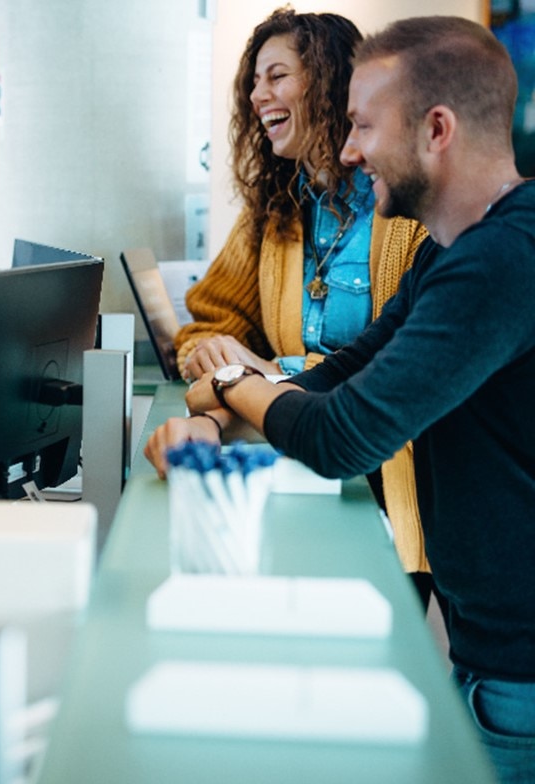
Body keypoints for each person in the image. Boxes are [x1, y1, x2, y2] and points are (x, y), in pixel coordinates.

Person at [145, 17, 534, 782]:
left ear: (436, 130)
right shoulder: (448, 253)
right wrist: (210, 416)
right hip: (483, 644)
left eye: (362, 127)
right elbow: (339, 370)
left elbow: (342, 433)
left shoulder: (498, 264)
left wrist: (232, 383)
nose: (350, 150)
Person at [174, 8, 434, 606]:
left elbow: (404, 364)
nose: (256, 93)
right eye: (254, 80)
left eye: (276, 76)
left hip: (383, 474)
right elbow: (208, 318)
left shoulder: (402, 209)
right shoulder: (276, 209)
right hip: (296, 454)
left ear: (327, 81)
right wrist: (210, 353)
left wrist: (261, 378)